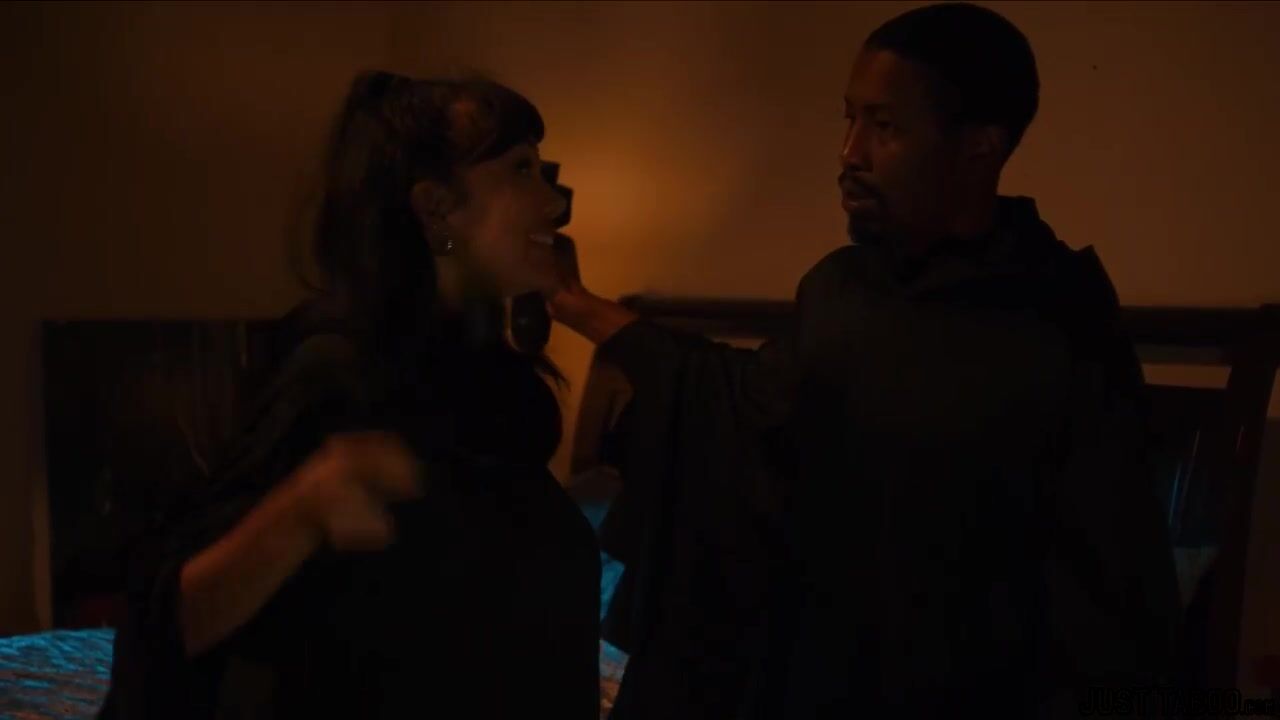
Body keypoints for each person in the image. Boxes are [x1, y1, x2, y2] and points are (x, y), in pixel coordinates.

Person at [548, 3, 1181, 718]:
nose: (850, 153)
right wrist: (575, 304)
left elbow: (1110, 581)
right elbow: (734, 402)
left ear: (980, 145)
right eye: (848, 120)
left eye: (885, 127)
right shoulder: (841, 290)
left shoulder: (1056, 323)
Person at [99, 71, 601, 719]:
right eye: (521, 170)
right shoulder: (342, 373)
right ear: (436, 209)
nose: (554, 203)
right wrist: (304, 508)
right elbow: (173, 624)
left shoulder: (494, 385)